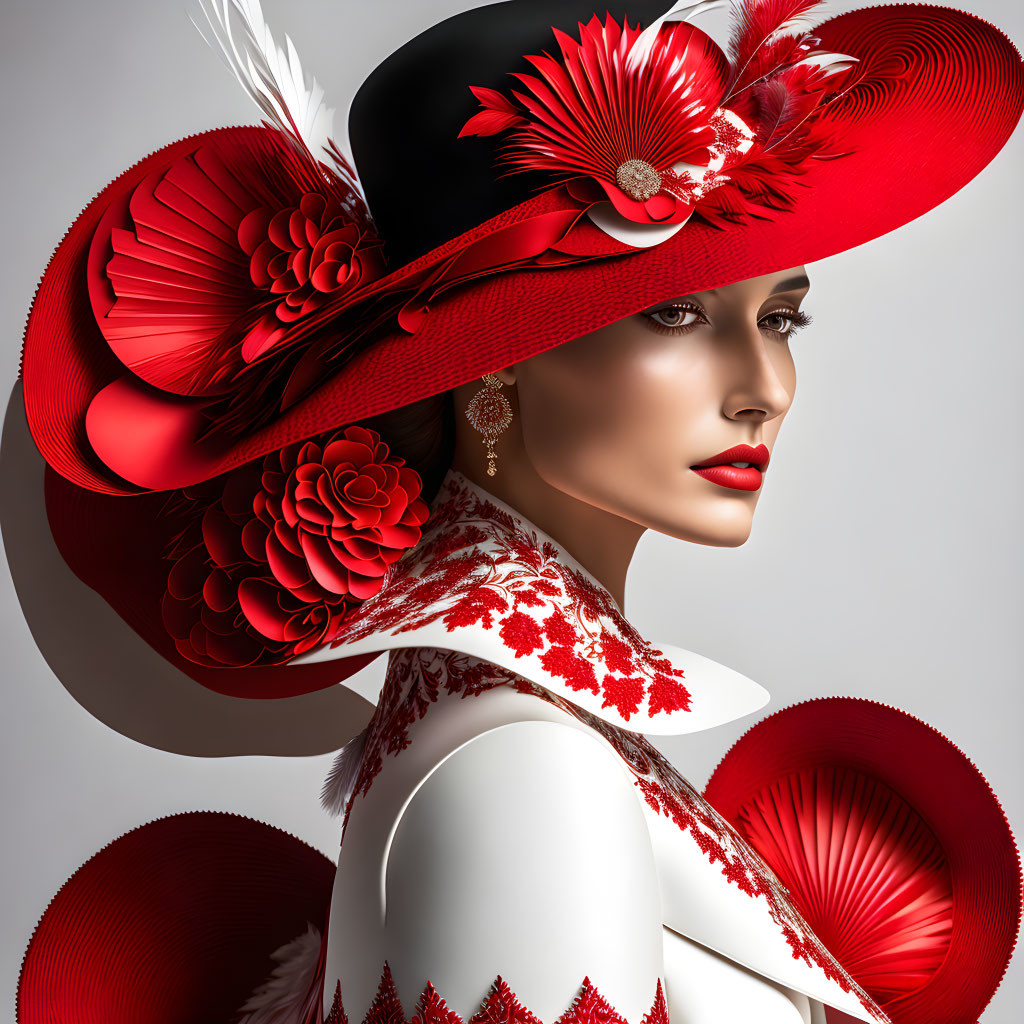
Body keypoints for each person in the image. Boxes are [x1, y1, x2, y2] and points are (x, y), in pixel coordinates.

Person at [11, 2, 1023, 1023]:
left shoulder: (493, 720)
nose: (765, 385)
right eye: (675, 312)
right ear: (494, 369)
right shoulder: (527, 777)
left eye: (778, 317)